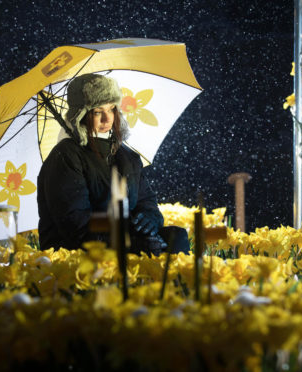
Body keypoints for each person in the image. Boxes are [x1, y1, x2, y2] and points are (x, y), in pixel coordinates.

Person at [37, 73, 189, 255]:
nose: (107, 119)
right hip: (81, 250)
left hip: (124, 239)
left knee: (176, 237)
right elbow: (77, 227)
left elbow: (146, 201)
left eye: (111, 109)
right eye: (97, 112)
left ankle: (174, 282)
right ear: (80, 115)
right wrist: (134, 244)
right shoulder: (65, 156)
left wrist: (150, 219)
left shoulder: (126, 155)